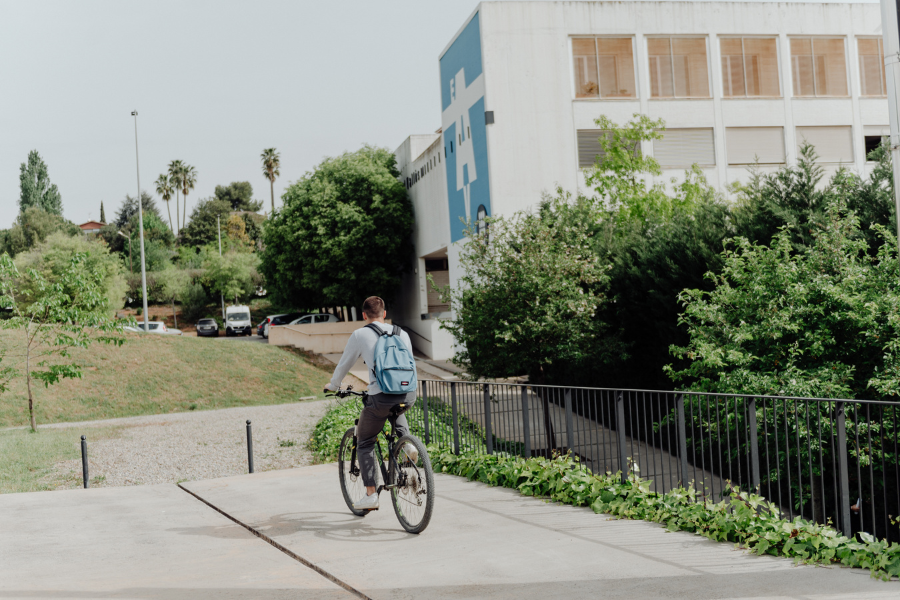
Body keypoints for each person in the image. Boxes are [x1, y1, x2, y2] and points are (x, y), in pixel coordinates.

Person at [324, 296, 417, 510]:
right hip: (408, 393)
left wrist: (334, 384)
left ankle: (371, 494)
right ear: (384, 314)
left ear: (364, 315)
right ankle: (407, 445)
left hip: (380, 396)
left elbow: (344, 363)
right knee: (397, 408)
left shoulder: (360, 334)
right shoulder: (402, 333)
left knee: (365, 441)